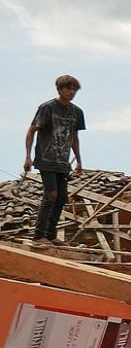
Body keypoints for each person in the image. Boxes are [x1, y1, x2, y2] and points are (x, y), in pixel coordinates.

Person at [24, 74, 86, 248]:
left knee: (61, 198)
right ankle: (38, 235)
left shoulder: (77, 112)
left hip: (63, 162)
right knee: (51, 194)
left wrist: (79, 161)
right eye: (67, 88)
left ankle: (51, 235)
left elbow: (74, 137)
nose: (71, 92)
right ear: (59, 89)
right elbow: (31, 131)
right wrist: (28, 156)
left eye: (74, 89)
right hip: (46, 158)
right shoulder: (47, 108)